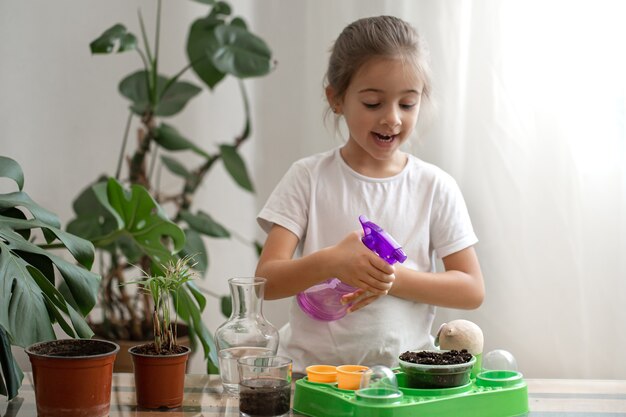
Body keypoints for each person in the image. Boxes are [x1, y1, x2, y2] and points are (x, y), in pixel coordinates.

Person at [256, 15, 484, 374]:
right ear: (336, 98)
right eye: (373, 103)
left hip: (404, 380)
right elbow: (265, 282)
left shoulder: (434, 187)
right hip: (312, 378)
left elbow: (471, 289)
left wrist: (391, 280)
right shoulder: (308, 178)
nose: (392, 118)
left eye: (407, 104)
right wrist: (331, 261)